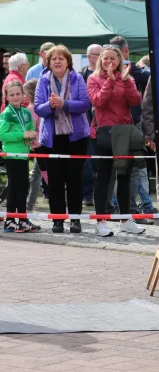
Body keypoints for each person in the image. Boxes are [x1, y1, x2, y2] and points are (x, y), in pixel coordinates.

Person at [87, 46, 145, 237]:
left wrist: (126, 81)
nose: (109, 62)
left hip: (124, 134)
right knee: (103, 178)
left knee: (125, 178)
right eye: (105, 59)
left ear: (120, 60)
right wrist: (110, 82)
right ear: (100, 60)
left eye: (113, 58)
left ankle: (126, 220)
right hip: (103, 135)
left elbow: (135, 101)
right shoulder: (93, 79)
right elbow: (98, 101)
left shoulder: (128, 78)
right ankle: (101, 221)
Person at [34, 45, 90, 234]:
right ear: (48, 63)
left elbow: (84, 104)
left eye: (61, 58)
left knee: (75, 180)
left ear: (68, 62)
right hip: (52, 139)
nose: (57, 61)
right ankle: (57, 220)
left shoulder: (78, 78)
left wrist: (64, 104)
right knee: (55, 181)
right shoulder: (42, 81)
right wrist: (50, 105)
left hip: (76, 138)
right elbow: (38, 109)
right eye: (53, 59)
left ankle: (76, 220)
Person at [109, 36, 156, 221]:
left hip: (132, 126)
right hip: (125, 128)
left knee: (132, 170)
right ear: (126, 51)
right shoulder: (104, 76)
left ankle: (138, 208)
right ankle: (131, 210)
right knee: (126, 171)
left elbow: (138, 99)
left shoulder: (135, 72)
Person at [0, 80, 40, 233]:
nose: (16, 97)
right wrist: (22, 135)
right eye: (12, 94)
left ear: (23, 95)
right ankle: (10, 220)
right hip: (11, 155)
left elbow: (29, 129)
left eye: (18, 94)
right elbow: (1, 135)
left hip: (23, 154)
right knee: (15, 188)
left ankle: (22, 219)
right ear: (7, 97)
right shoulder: (7, 113)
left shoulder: (26, 112)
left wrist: (30, 137)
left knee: (23, 187)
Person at [80, 44, 102, 207]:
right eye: (100, 54)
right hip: (86, 125)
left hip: (104, 126)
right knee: (86, 161)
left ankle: (103, 195)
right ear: (90, 57)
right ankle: (88, 194)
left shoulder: (107, 75)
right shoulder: (81, 76)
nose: (103, 57)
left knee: (101, 162)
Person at [24, 79, 47, 211]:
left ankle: (29, 204)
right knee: (37, 175)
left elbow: (31, 129)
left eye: (25, 92)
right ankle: (30, 203)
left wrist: (29, 142)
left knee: (39, 175)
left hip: (36, 146)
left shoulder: (31, 109)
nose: (23, 96)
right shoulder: (40, 107)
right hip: (41, 145)